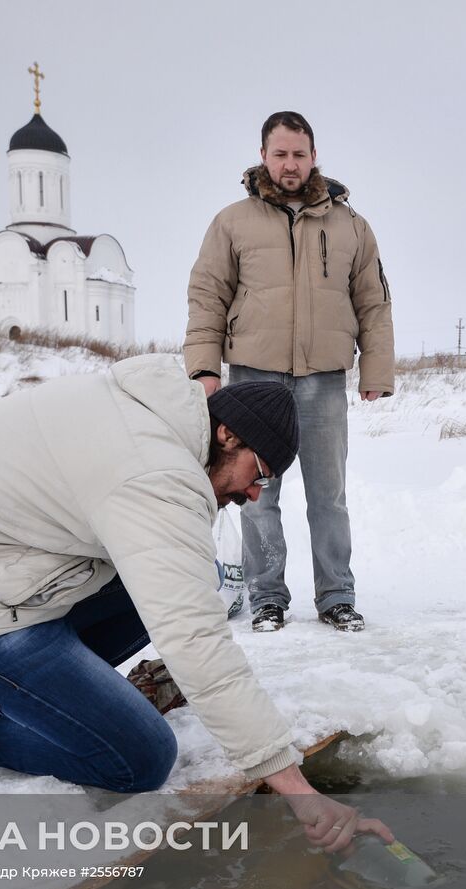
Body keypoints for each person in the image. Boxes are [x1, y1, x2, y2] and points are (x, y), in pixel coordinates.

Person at [0, 355, 391, 851]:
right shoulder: (153, 475)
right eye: (259, 475)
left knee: (202, 576)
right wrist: (293, 787)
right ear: (228, 436)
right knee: (137, 758)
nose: (251, 495)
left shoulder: (152, 417)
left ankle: (77, 701)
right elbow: (194, 640)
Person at [184, 111, 395, 633]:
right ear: (263, 156)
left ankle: (337, 596)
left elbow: (373, 302)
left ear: (314, 156)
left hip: (323, 376)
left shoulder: (350, 225)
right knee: (259, 492)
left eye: (299, 154)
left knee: (329, 492)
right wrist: (205, 367)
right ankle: (267, 597)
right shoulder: (233, 222)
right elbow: (207, 295)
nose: (290, 164)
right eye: (280, 154)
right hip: (253, 377)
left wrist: (377, 368)